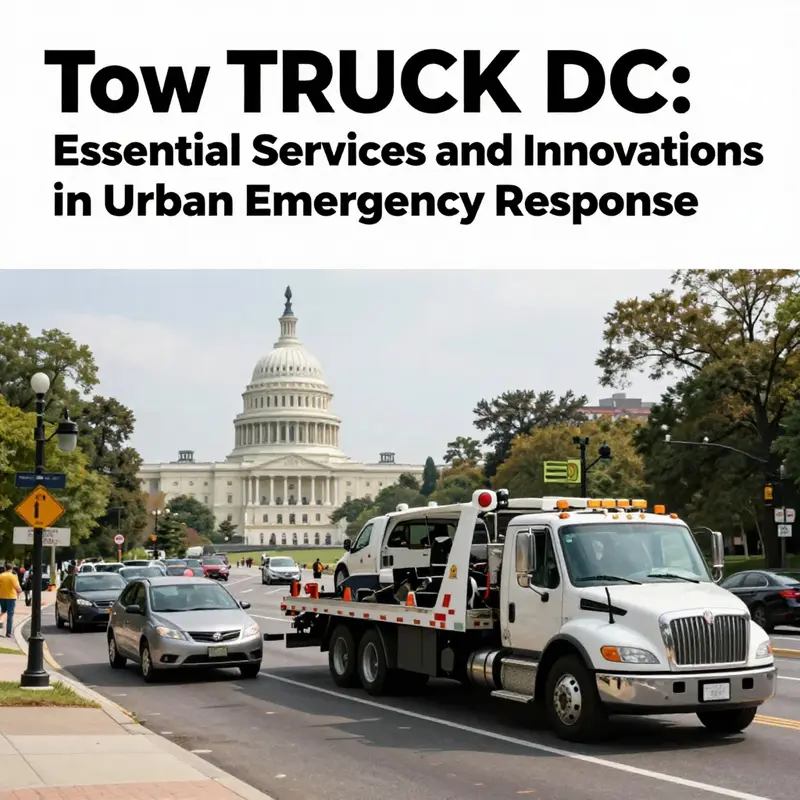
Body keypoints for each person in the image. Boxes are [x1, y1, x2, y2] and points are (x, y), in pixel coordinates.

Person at [0, 563, 22, 638]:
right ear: (11, 569)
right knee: (10, 614)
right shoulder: (13, 577)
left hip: (2, 596)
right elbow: (18, 588)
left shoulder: (1, 576)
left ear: (5, 568)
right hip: (11, 597)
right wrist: (19, 592)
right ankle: (8, 633)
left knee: (3, 611)